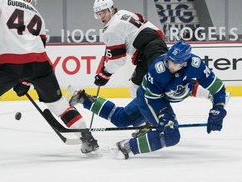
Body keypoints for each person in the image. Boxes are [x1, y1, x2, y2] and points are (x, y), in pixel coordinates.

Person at [0, 0, 98, 160]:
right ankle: (88, 138)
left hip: (10, 65)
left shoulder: (1, 2)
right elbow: (38, 47)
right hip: (41, 65)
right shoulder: (38, 15)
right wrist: (26, 80)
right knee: (58, 104)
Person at [69, 40, 228, 159]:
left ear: (185, 62)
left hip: (160, 98)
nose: (170, 65)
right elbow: (153, 100)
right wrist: (164, 116)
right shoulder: (159, 69)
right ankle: (126, 147)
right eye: (169, 60)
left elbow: (218, 89)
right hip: (148, 98)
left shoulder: (196, 65)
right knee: (171, 135)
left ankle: (85, 99)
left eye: (175, 63)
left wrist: (219, 107)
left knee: (121, 119)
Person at [93, 0, 168, 98]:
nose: (102, 17)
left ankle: (153, 112)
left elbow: (118, 60)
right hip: (159, 45)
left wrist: (105, 73)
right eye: (99, 14)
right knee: (166, 80)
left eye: (104, 13)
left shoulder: (110, 30)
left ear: (111, 9)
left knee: (136, 90)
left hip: (147, 53)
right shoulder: (124, 13)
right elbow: (144, 22)